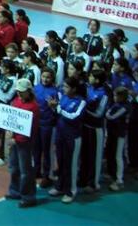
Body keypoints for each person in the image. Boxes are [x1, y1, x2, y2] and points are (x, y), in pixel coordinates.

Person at [48, 78, 86, 203]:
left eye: (66, 87)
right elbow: (59, 113)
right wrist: (53, 108)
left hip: (72, 137)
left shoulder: (81, 101)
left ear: (74, 89)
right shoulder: (64, 97)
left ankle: (71, 191)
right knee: (61, 163)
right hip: (60, 135)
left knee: (71, 165)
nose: (63, 89)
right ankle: (60, 187)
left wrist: (59, 109)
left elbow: (74, 117)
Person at [5, 78, 40, 208]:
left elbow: (30, 129)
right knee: (14, 167)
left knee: (26, 171)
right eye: (18, 91)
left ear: (29, 91)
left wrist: (16, 139)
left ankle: (28, 197)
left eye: (22, 91)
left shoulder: (33, 107)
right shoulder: (16, 101)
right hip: (15, 140)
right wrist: (9, 132)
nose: (19, 93)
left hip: (25, 143)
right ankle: (15, 191)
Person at [78, 69, 108, 192]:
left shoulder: (104, 94)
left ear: (97, 80)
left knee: (95, 156)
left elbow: (99, 113)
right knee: (84, 154)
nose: (89, 78)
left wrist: (83, 109)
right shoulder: (88, 88)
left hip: (96, 129)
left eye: (91, 76)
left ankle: (93, 183)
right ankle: (83, 179)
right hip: (85, 127)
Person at [34, 68, 58, 188]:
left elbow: (57, 110)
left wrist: (53, 107)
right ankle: (36, 170)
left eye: (48, 77)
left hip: (48, 125)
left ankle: (47, 176)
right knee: (36, 149)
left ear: (52, 78)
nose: (45, 79)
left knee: (47, 151)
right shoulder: (36, 88)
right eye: (43, 76)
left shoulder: (55, 91)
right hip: (36, 123)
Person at [105, 87, 131, 191]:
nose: (114, 97)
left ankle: (120, 180)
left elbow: (112, 116)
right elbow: (108, 113)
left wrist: (108, 114)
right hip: (112, 133)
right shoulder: (116, 104)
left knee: (118, 156)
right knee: (111, 153)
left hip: (120, 134)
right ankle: (113, 175)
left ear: (122, 97)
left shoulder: (126, 106)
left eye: (116, 96)